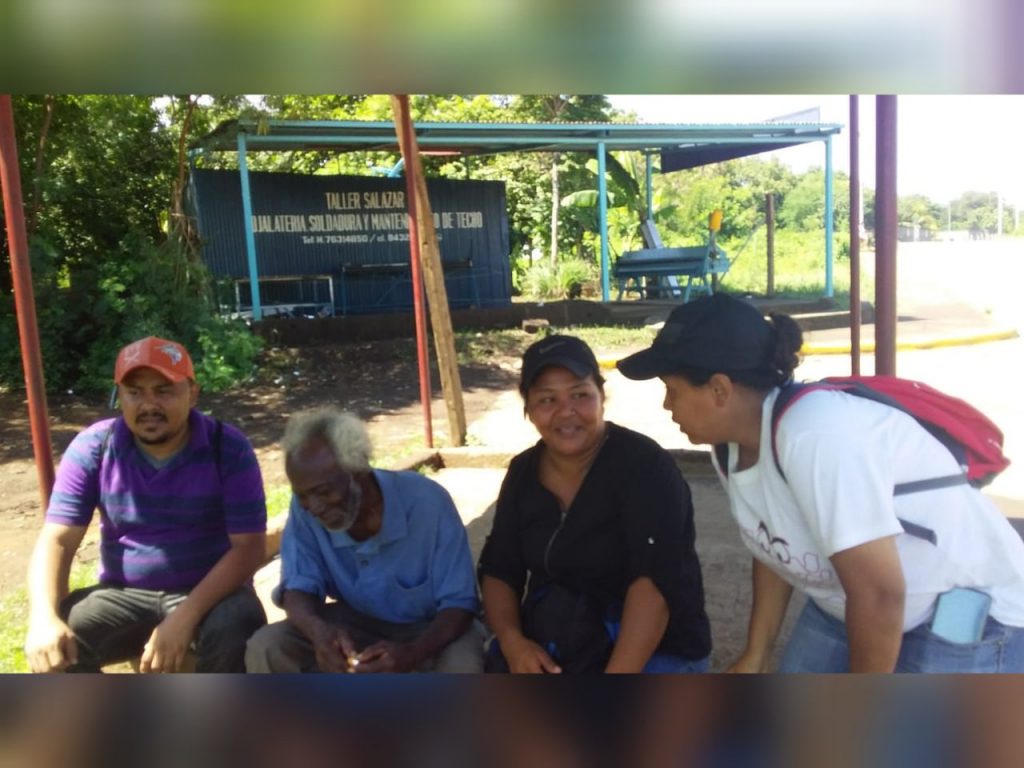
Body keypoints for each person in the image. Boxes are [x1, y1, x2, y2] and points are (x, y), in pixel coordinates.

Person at [617, 293, 1024, 673]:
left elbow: (880, 595)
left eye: (671, 390)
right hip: (847, 603)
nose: (667, 406)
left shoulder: (816, 435)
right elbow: (772, 540)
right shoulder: (731, 444)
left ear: (720, 389)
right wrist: (756, 652)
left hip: (961, 613)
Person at [25, 336, 268, 673]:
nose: (148, 404)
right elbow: (57, 539)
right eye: (135, 392)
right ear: (119, 396)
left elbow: (249, 549)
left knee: (239, 623)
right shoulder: (94, 448)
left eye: (164, 390)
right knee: (61, 636)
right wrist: (43, 617)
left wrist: (186, 615)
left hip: (211, 595)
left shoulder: (227, 448)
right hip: (124, 594)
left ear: (192, 392)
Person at [477, 335, 712, 673]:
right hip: (563, 636)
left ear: (602, 396)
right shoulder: (522, 472)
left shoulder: (645, 466)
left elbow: (654, 586)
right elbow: (500, 568)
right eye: (547, 399)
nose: (565, 412)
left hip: (653, 648)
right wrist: (515, 645)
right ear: (527, 409)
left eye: (579, 394)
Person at [245, 407, 484, 673]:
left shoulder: (428, 502)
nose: (313, 506)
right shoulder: (305, 510)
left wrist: (413, 654)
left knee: (463, 664)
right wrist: (319, 634)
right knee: (267, 646)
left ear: (358, 471)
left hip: (428, 628)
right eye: (302, 495)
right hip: (355, 624)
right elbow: (298, 586)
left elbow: (459, 604)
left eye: (324, 492)